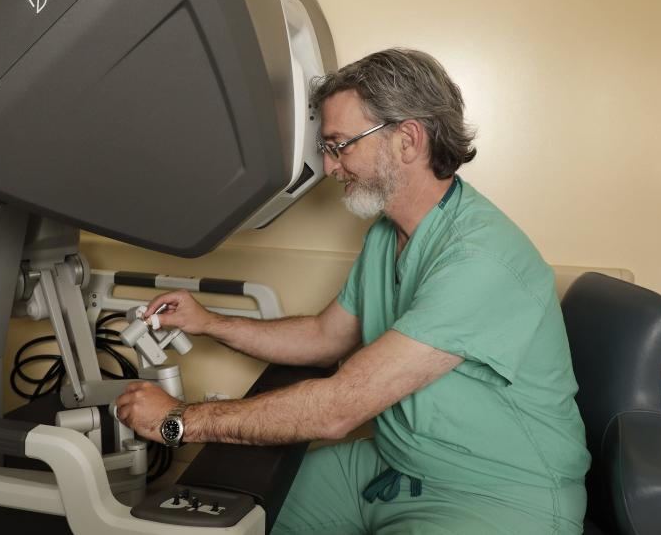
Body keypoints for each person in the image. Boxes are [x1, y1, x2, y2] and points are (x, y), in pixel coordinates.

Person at [116, 48, 589, 534]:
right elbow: (325, 337)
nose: (329, 166)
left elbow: (339, 407)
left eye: (340, 145)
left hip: (495, 494)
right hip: (395, 466)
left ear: (407, 140)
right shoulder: (388, 235)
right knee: (240, 519)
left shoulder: (480, 259)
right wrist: (208, 322)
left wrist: (178, 421)